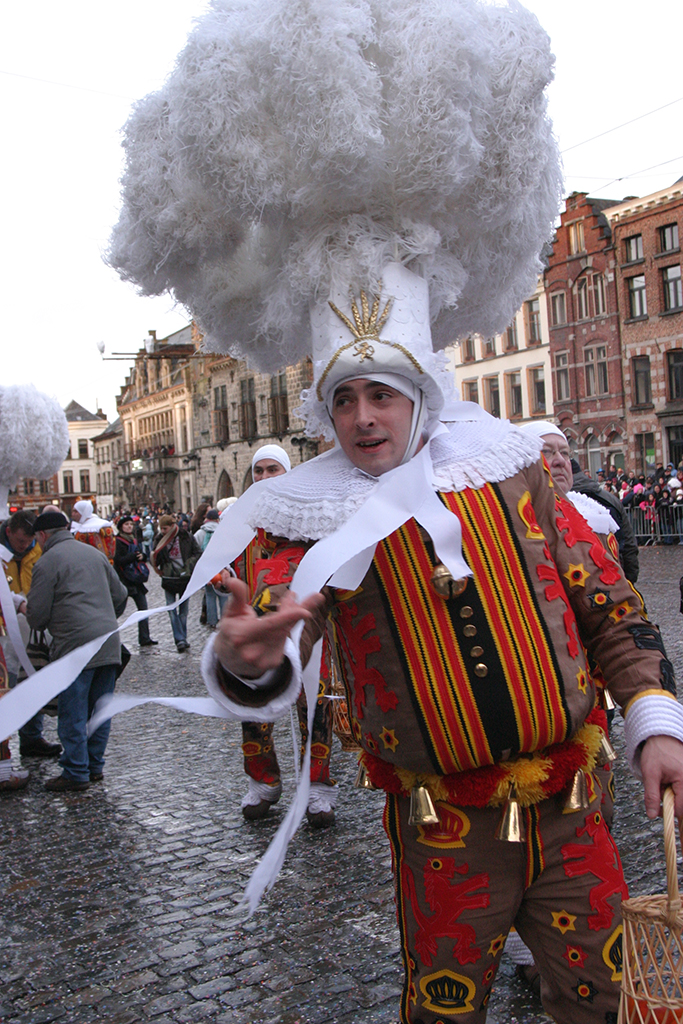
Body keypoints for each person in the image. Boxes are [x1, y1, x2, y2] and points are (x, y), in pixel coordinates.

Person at [203, 266, 683, 1024]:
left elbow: (607, 606)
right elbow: (278, 623)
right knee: (444, 1010)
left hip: (573, 809)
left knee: (604, 1000)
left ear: (420, 395)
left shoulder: (511, 476)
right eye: (343, 398)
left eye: (380, 394)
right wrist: (250, 657)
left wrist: (653, 723)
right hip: (441, 831)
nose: (362, 417)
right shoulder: (304, 520)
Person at [232, 444, 337, 827]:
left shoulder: (311, 516)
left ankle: (318, 788)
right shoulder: (241, 522)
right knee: (254, 704)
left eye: (271, 469)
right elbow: (233, 569)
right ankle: (263, 782)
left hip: (309, 625)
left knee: (315, 705)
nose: (263, 478)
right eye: (257, 471)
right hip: (260, 629)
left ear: (287, 472)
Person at [26, 510, 128, 791]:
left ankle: (75, 771)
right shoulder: (94, 553)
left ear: (43, 536)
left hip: (74, 647)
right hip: (108, 642)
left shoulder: (47, 562)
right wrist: (103, 618)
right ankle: (94, 766)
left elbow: (37, 616)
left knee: (73, 711)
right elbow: (120, 596)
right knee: (99, 709)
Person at [0, 509, 62, 757]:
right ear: (8, 533)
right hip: (4, 632)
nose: (25, 546)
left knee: (33, 678)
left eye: (29, 541)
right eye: (20, 542)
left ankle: (31, 737)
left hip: (31, 626)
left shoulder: (39, 550)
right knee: (8, 684)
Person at [151, 514, 200, 652]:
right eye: (161, 528)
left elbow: (197, 553)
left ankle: (182, 637)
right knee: (171, 610)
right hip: (169, 578)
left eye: (165, 528)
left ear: (173, 526)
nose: (162, 531)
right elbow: (155, 558)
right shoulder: (159, 539)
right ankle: (180, 639)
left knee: (183, 611)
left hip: (184, 578)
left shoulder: (186, 536)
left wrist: (189, 565)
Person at [114, 515, 157, 648]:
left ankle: (144, 638)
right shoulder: (118, 541)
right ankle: (108, 636)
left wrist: (142, 557)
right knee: (117, 610)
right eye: (126, 524)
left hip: (136, 580)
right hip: (124, 581)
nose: (129, 527)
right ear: (121, 526)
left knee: (143, 609)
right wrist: (133, 556)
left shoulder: (134, 540)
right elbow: (118, 560)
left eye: (131, 525)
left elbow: (141, 556)